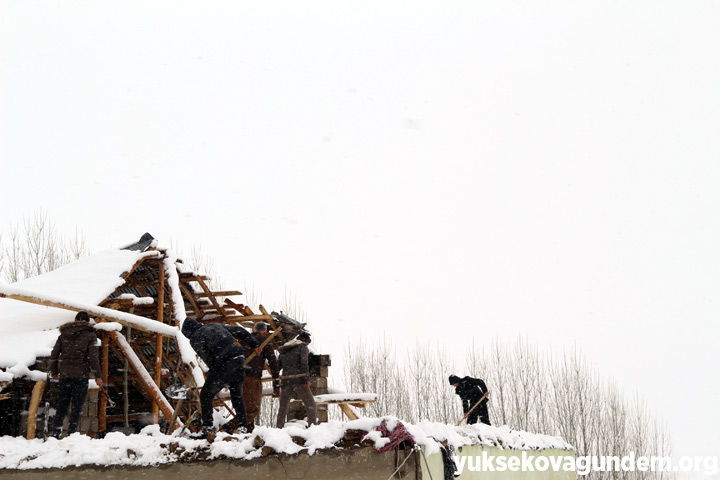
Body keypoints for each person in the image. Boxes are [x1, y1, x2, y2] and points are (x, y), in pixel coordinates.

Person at [181, 317, 261, 435]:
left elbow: (208, 358)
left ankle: (207, 428)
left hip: (224, 364)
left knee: (206, 395)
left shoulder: (195, 338)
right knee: (237, 396)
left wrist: (216, 374)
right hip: (239, 360)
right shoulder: (215, 325)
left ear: (188, 333)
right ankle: (242, 427)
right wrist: (254, 343)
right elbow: (239, 330)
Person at [49, 311, 103, 438]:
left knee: (62, 406)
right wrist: (98, 376)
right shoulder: (91, 336)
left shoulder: (63, 335)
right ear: (88, 322)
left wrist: (54, 371)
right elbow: (93, 358)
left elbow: (54, 354)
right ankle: (71, 434)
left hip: (65, 375)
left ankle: (56, 433)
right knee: (77, 407)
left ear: (75, 319)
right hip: (81, 375)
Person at [242, 322, 279, 432]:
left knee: (244, 406)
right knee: (253, 408)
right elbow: (273, 361)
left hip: (239, 377)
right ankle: (228, 427)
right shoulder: (265, 341)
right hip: (253, 377)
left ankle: (248, 431)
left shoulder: (243, 340)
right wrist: (276, 381)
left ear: (253, 329)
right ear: (265, 331)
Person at [276, 331, 316, 428]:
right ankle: (313, 428)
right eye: (308, 342)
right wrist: (307, 379)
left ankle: (279, 428)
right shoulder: (302, 347)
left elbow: (278, 367)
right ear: (305, 340)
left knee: (283, 407)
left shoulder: (285, 349)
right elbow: (304, 363)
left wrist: (276, 382)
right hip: (299, 381)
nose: (307, 345)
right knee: (311, 405)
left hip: (286, 381)